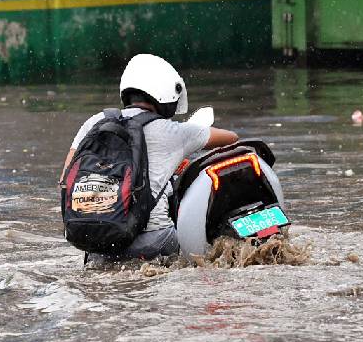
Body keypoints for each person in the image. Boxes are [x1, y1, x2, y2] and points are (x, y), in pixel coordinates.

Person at [60, 54, 239, 262]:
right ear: (166, 94)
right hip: (156, 243)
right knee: (209, 245)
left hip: (97, 247)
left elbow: (65, 180)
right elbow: (230, 138)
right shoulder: (172, 131)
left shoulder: (93, 123)